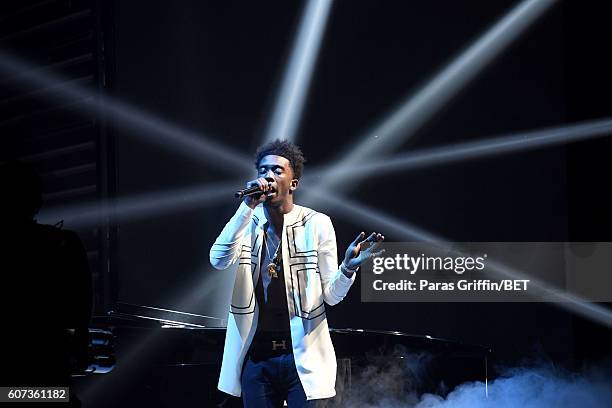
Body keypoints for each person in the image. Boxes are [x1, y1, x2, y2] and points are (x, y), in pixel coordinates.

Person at [210, 140, 383, 407]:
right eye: (263, 170)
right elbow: (218, 260)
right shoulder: (246, 222)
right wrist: (246, 208)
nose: (268, 176)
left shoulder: (317, 224)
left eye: (277, 170)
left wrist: (348, 268)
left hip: (303, 357)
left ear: (293, 183)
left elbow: (332, 296)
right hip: (256, 356)